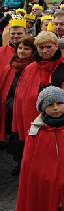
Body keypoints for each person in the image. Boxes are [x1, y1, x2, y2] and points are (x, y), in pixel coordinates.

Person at [12, 31, 64, 146]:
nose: (45, 50)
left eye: (48, 47)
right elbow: (21, 95)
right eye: (41, 47)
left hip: (59, 114)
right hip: (32, 113)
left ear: (56, 46)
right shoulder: (30, 68)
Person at [0, 36, 36, 175]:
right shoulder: (10, 67)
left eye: (26, 49)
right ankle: (20, 164)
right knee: (17, 142)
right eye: (20, 48)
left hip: (30, 112)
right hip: (13, 110)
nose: (22, 51)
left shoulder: (34, 67)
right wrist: (12, 105)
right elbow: (7, 90)